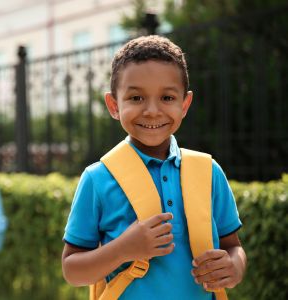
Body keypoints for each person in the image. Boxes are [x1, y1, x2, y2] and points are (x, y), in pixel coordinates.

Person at [61, 35, 247, 299]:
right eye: (136, 98)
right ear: (114, 105)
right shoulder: (97, 179)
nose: (152, 110)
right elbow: (72, 270)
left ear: (185, 104)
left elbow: (233, 247)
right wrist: (123, 249)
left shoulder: (209, 172)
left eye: (167, 98)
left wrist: (234, 266)